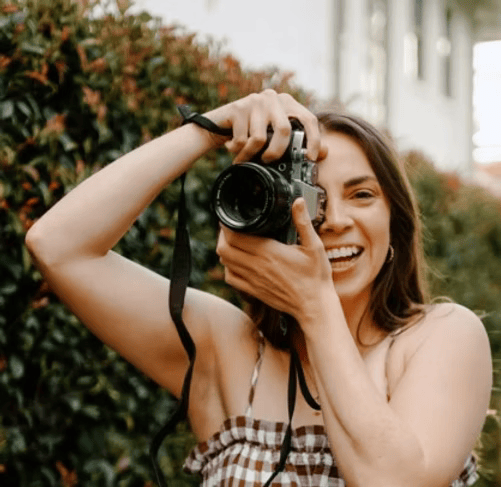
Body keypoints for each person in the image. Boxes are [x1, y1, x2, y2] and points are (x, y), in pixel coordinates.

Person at [25, 89, 492, 486]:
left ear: (398, 223)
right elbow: (59, 247)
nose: (332, 221)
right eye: (308, 198)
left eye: (362, 194)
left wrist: (315, 307)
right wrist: (210, 128)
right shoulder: (227, 349)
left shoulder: (441, 336)